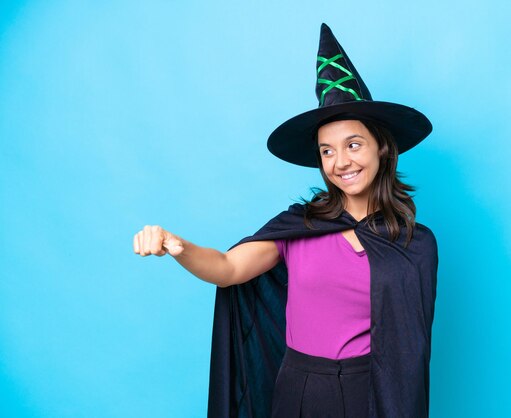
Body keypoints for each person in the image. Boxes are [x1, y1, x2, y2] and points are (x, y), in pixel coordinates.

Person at [133, 23, 438, 418]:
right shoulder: (301, 226)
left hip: (371, 392)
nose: (341, 161)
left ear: (382, 148)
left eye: (353, 145)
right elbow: (227, 269)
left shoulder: (415, 243)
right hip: (301, 388)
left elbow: (408, 357)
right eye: (327, 151)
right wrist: (178, 247)